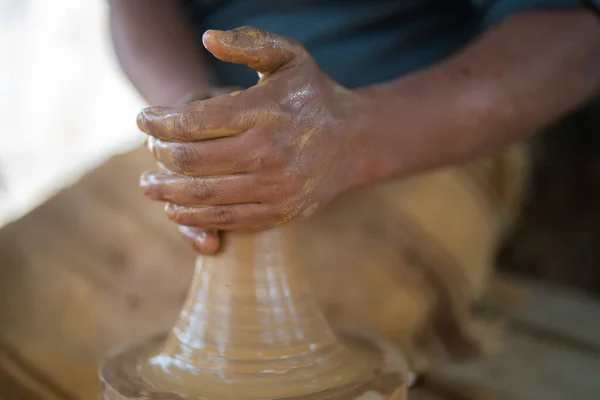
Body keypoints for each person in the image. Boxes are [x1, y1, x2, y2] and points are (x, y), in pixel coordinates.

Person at [109, 0, 600, 254]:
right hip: (217, 119)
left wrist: (353, 134)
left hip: (420, 128)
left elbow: (578, 36)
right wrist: (191, 115)